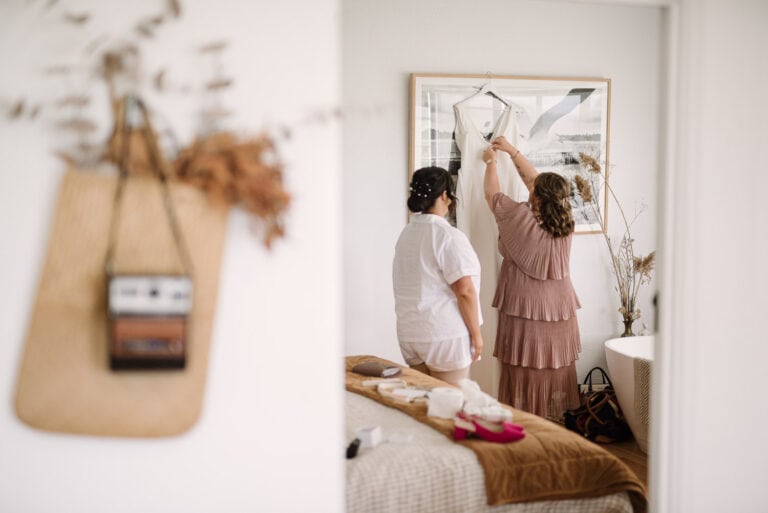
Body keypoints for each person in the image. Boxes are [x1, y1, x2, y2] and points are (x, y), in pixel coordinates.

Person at [481, 136, 581, 419]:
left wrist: (491, 163)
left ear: (536, 195)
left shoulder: (519, 215)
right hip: (559, 305)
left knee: (523, 365)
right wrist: (513, 152)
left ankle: (525, 420)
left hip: (525, 303)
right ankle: (554, 421)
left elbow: (492, 196)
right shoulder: (565, 217)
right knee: (554, 365)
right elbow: (539, 184)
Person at [392, 166, 483, 386]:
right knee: (449, 406)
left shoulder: (407, 233)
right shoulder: (447, 236)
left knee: (424, 404)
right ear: (444, 195)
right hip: (443, 334)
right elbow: (465, 290)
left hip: (411, 334)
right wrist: (477, 336)